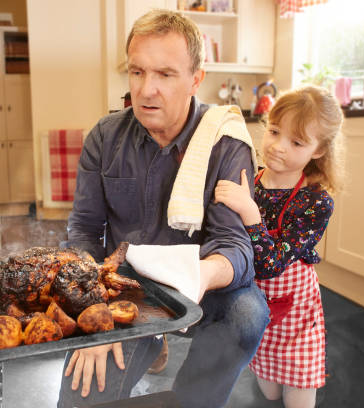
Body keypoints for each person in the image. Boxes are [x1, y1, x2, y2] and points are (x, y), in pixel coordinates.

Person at [57, 8, 269, 408]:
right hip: (126, 284)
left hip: (199, 282)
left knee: (247, 313)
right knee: (81, 397)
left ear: (195, 79)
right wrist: (94, 311)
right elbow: (84, 229)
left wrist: (195, 280)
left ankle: (194, 401)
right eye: (137, 72)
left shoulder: (226, 142)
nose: (146, 89)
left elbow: (236, 248)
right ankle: (149, 342)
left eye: (165, 74)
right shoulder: (105, 137)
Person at [214, 85, 345, 408]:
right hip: (259, 309)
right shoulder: (251, 182)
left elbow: (271, 265)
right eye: (274, 131)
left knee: (298, 395)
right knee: (269, 393)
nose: (277, 147)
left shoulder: (315, 201)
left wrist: (249, 212)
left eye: (296, 142)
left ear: (318, 150)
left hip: (297, 316)